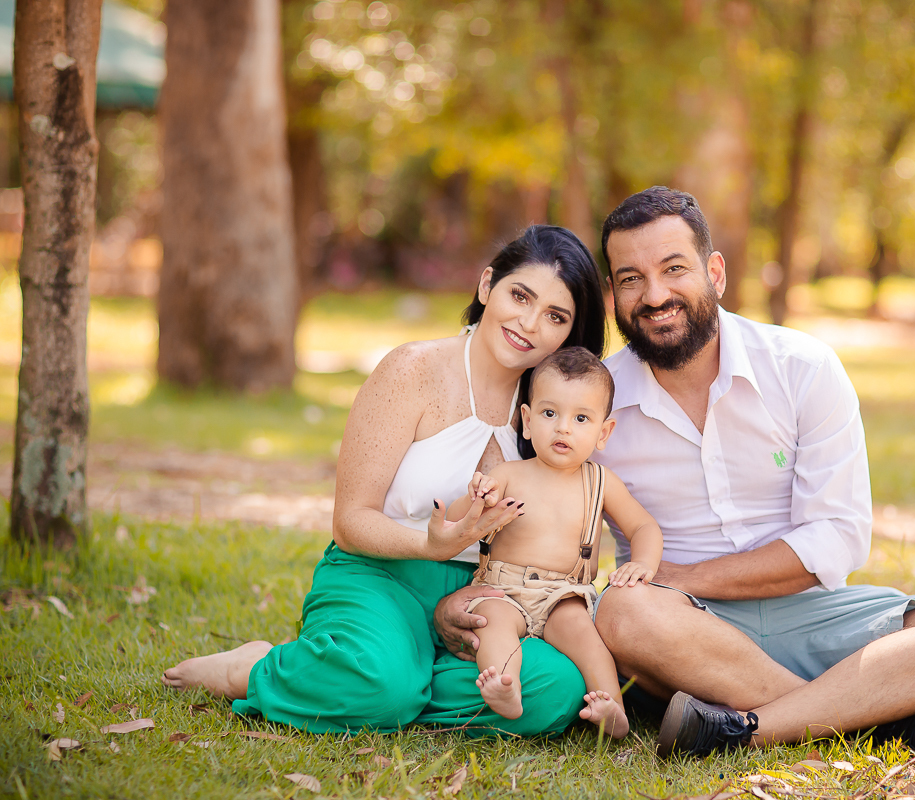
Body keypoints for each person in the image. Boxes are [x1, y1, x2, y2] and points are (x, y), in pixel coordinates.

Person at [583, 186, 915, 757]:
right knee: (621, 610)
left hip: (811, 615)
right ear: (612, 293)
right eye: (631, 279)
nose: (655, 294)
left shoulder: (802, 368)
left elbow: (835, 538)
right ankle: (869, 716)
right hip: (678, 631)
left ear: (715, 271)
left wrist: (685, 576)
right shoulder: (596, 404)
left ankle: (744, 726)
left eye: (674, 268)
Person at [162, 225, 609, 737]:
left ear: (570, 334)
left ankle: (392, 683)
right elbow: (351, 522)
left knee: (557, 685)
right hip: (380, 575)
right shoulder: (412, 371)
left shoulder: (552, 414)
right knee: (384, 684)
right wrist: (430, 544)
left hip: (481, 600)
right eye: (519, 295)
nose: (529, 324)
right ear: (487, 287)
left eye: (556, 316)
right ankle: (259, 669)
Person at [445, 347, 663, 738]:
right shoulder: (508, 473)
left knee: (585, 636)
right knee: (492, 625)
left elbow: (643, 526)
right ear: (527, 421)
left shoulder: (600, 482)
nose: (563, 428)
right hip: (502, 588)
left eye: (581, 418)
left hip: (563, 593)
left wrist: (643, 562)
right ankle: (503, 686)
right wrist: (476, 495)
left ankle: (610, 706)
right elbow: (460, 519)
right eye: (550, 414)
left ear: (603, 432)